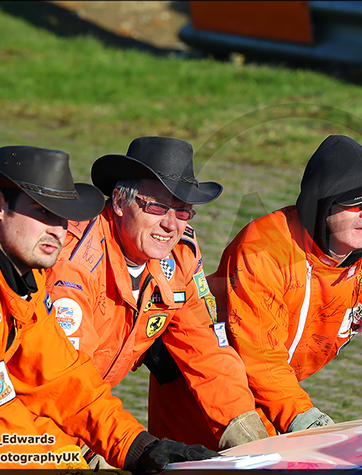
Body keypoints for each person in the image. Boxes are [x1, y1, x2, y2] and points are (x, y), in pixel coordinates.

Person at [0, 145, 218, 472]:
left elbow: (59, 373)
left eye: (62, 216)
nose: (57, 231)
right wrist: (64, 462)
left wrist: (136, 445)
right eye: (42, 211)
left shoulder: (22, 270)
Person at [148, 134, 362, 438]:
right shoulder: (265, 250)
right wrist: (303, 418)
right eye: (355, 203)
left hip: (276, 390)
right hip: (201, 387)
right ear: (324, 203)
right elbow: (258, 354)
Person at [43, 136, 268, 458]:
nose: (170, 224)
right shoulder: (74, 260)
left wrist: (245, 427)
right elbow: (63, 375)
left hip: (89, 410)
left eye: (183, 212)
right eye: (158, 207)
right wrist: (97, 448)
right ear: (119, 202)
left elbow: (205, 348)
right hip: (29, 412)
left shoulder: (179, 256)